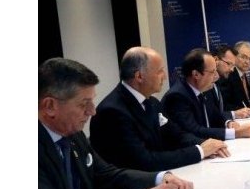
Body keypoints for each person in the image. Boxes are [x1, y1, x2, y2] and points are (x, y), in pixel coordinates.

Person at [39, 58, 193, 189]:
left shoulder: (72, 134)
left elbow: (106, 174)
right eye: (83, 104)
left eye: (92, 101)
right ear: (49, 106)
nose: (92, 111)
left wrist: (160, 178)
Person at [90, 47, 229, 172]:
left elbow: (176, 134)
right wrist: (199, 151)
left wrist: (206, 144)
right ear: (139, 76)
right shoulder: (112, 112)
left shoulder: (152, 102)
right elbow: (144, 161)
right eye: (160, 71)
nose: (165, 76)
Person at [162, 48, 250, 141]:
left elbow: (214, 115)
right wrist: (235, 133)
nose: (216, 76)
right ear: (196, 75)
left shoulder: (202, 89)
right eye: (212, 72)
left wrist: (228, 123)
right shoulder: (177, 97)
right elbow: (194, 130)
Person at [210, 45, 250, 119]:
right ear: (216, 60)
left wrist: (228, 122)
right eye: (229, 64)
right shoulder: (210, 83)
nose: (232, 69)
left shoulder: (220, 79)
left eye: (233, 65)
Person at [219, 41, 250, 110]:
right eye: (243, 57)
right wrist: (249, 108)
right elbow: (225, 106)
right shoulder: (228, 75)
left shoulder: (242, 74)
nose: (247, 62)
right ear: (235, 56)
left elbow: (247, 100)